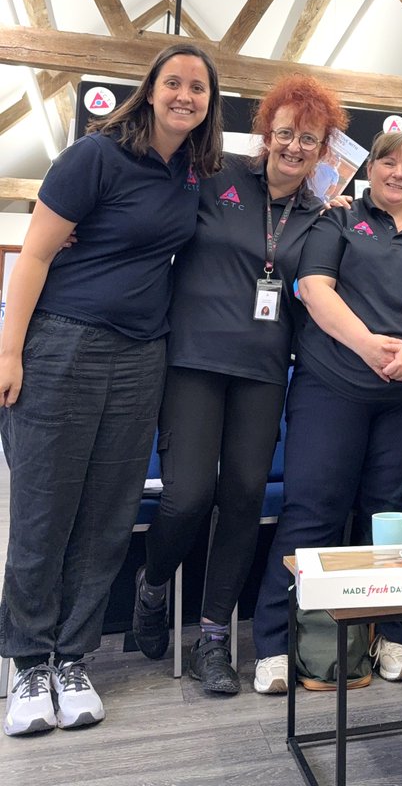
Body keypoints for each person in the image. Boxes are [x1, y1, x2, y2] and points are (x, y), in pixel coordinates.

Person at [0, 44, 223, 737]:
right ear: (150, 89)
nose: (185, 94)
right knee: (45, 509)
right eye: (174, 82)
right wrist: (9, 349)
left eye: (199, 87)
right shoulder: (96, 155)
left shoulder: (193, 174)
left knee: (105, 518)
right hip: (64, 341)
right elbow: (35, 252)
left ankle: (73, 657)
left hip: (141, 358)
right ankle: (27, 662)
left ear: (209, 104)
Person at [131, 74, 348, 696]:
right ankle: (151, 585)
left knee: (246, 497)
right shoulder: (216, 171)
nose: (294, 146)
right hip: (193, 361)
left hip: (263, 371)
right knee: (188, 497)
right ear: (266, 132)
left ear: (323, 146)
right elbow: (149, 210)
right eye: (285, 133)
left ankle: (214, 642)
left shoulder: (320, 215)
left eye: (309, 138)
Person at [251, 131, 402, 690]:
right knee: (312, 513)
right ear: (370, 167)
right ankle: (275, 645)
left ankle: (389, 636)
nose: (397, 173)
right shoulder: (338, 219)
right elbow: (314, 287)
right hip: (333, 386)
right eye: (387, 162)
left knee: (391, 517)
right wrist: (370, 346)